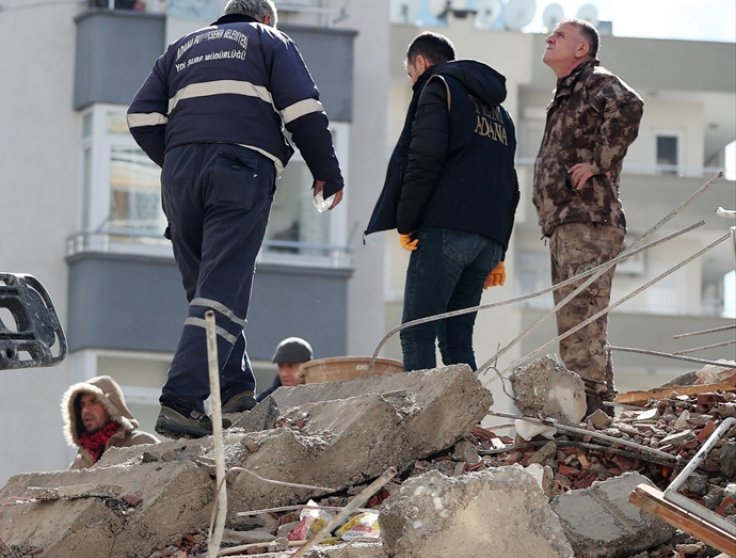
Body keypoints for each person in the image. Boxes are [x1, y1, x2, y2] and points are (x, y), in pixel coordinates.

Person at [127, 0, 344, 438]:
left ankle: (235, 393)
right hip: (240, 170)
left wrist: (176, 160)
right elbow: (303, 108)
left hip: (181, 177)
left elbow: (140, 116)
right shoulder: (269, 40)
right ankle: (181, 402)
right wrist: (327, 171)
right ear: (265, 17)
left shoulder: (183, 47)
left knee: (208, 292)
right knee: (223, 294)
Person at [364, 32, 517, 372]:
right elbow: (510, 184)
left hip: (446, 228)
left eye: (410, 75)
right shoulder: (500, 113)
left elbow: (423, 160)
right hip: (487, 242)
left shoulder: (438, 87)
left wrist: (406, 221)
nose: (413, 81)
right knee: (457, 341)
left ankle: (425, 424)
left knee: (416, 333)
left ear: (421, 63)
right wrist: (499, 251)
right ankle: (467, 422)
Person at [533, 19, 643, 418]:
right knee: (579, 329)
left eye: (559, 36)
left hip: (589, 220)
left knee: (582, 329)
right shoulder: (567, 92)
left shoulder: (594, 80)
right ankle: (599, 413)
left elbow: (630, 105)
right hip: (568, 221)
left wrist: (599, 162)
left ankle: (589, 417)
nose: (549, 38)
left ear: (582, 50)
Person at [61, 375, 161, 469]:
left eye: (93, 402)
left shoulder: (141, 444)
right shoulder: (79, 464)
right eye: (82, 405)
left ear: (111, 406)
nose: (85, 410)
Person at [255, 337, 314, 401]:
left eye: (291, 366)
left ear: (307, 366)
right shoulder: (265, 400)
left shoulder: (321, 395)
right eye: (281, 366)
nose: (284, 373)